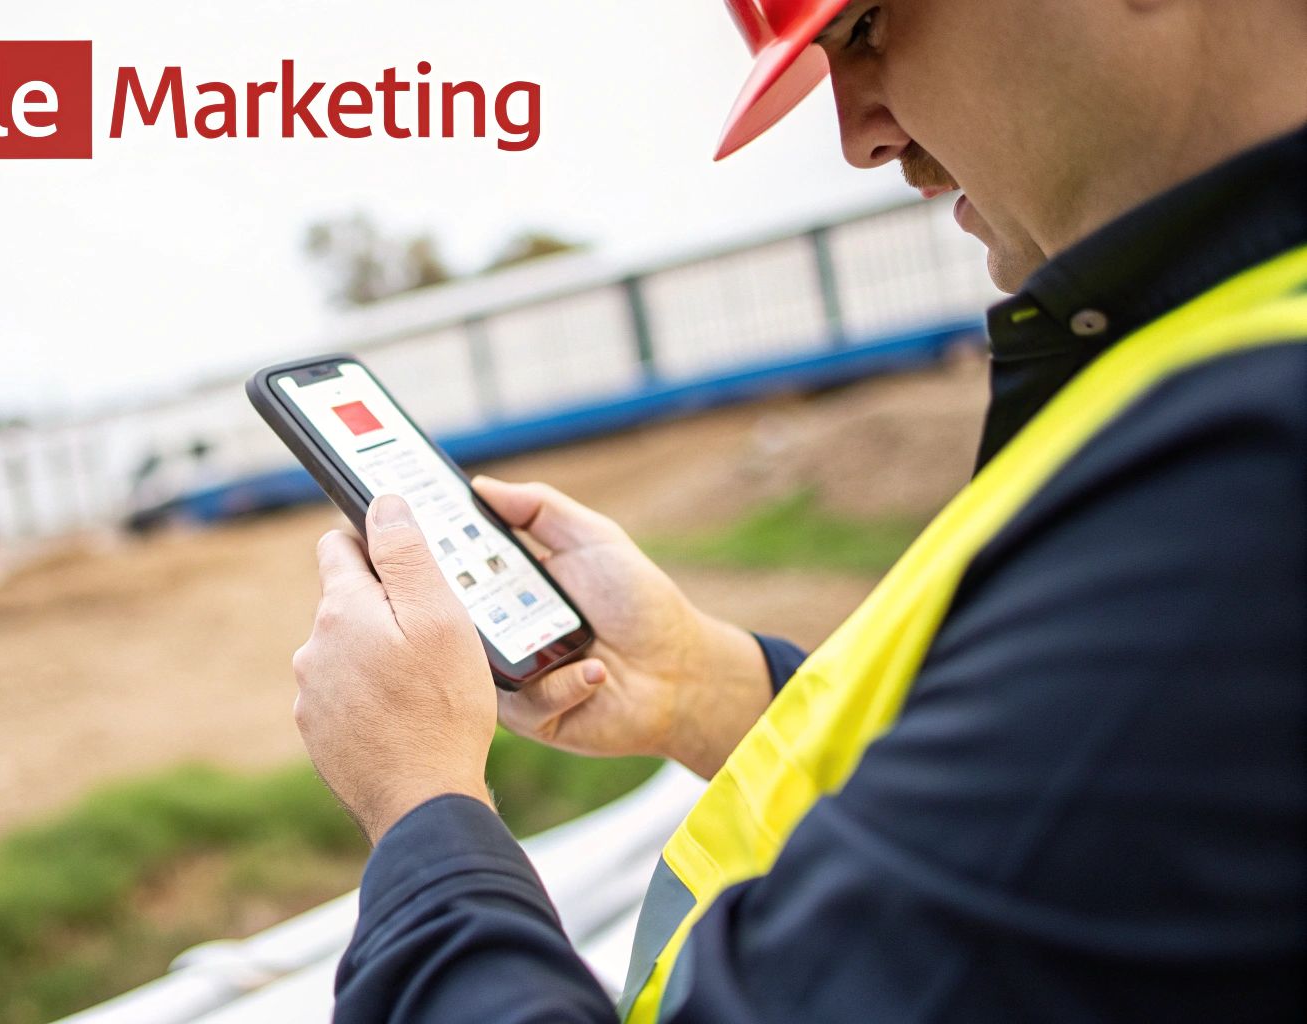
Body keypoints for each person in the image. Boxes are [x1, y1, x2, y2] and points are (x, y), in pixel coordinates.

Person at [288, 0, 1306, 1020]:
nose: (860, 134)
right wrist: (701, 684)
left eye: (864, 29)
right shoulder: (1210, 363)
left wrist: (420, 807)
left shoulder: (1246, 480)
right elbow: (1055, 816)